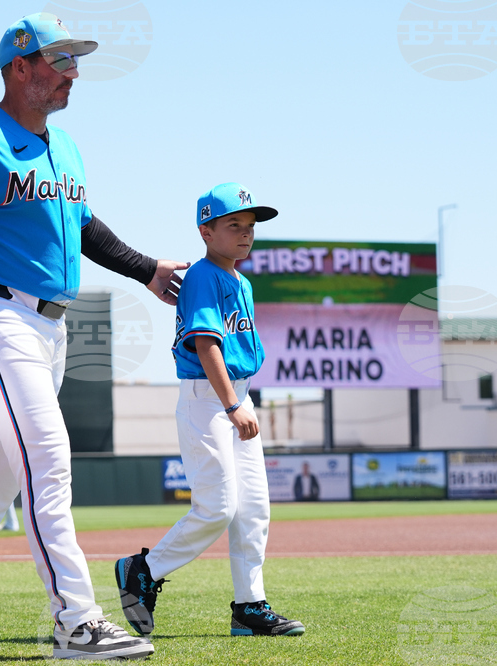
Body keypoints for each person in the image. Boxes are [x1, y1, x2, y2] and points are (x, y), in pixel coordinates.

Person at [0, 12, 189, 659]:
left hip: (49, 327)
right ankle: (76, 620)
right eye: (59, 60)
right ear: (19, 67)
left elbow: (84, 228)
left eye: (75, 60)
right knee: (48, 459)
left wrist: (146, 270)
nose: (73, 73)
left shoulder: (64, 147)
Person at [114, 183, 305, 639]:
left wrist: (240, 401)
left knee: (253, 508)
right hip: (209, 399)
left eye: (250, 225)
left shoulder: (242, 281)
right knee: (218, 507)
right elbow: (206, 344)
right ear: (206, 231)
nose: (245, 233)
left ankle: (250, 606)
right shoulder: (203, 276)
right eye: (233, 224)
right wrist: (233, 404)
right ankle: (144, 569)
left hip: (236, 397)